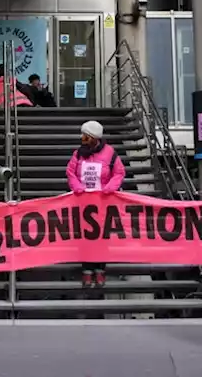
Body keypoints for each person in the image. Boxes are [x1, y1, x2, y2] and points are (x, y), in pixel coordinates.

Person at [66, 120, 125, 288]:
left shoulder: (110, 153)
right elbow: (70, 171)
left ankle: (100, 269)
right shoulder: (78, 154)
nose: (82, 139)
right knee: (85, 237)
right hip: (83, 203)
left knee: (102, 237)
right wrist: (77, 187)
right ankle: (87, 270)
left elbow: (119, 172)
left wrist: (108, 189)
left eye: (85, 136)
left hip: (103, 203)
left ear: (94, 138)